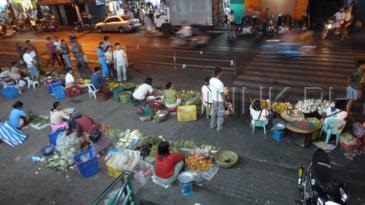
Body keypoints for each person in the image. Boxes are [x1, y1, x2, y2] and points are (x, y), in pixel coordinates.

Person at [210, 67, 225, 132]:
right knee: (220, 114)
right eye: (222, 72)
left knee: (214, 113)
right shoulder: (220, 83)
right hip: (220, 101)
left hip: (214, 99)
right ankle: (219, 128)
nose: (222, 73)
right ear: (219, 73)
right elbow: (222, 94)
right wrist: (225, 100)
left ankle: (212, 125)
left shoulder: (211, 80)